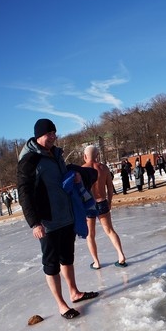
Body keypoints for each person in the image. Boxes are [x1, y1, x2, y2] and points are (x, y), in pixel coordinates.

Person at [17, 118, 99, 319]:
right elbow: (24, 192)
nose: (53, 137)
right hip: (48, 222)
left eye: (54, 133)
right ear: (39, 136)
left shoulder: (56, 154)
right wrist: (34, 222)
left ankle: (74, 292)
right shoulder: (30, 160)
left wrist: (76, 176)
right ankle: (61, 304)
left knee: (67, 257)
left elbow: (62, 178)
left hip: (66, 215)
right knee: (51, 264)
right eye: (49, 134)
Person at [81, 145, 127, 270]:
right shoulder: (104, 168)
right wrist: (110, 201)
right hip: (102, 202)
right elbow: (110, 188)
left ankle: (96, 262)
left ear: (85, 156)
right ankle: (121, 255)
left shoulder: (81, 170)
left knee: (90, 235)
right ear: (97, 156)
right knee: (110, 231)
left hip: (89, 204)